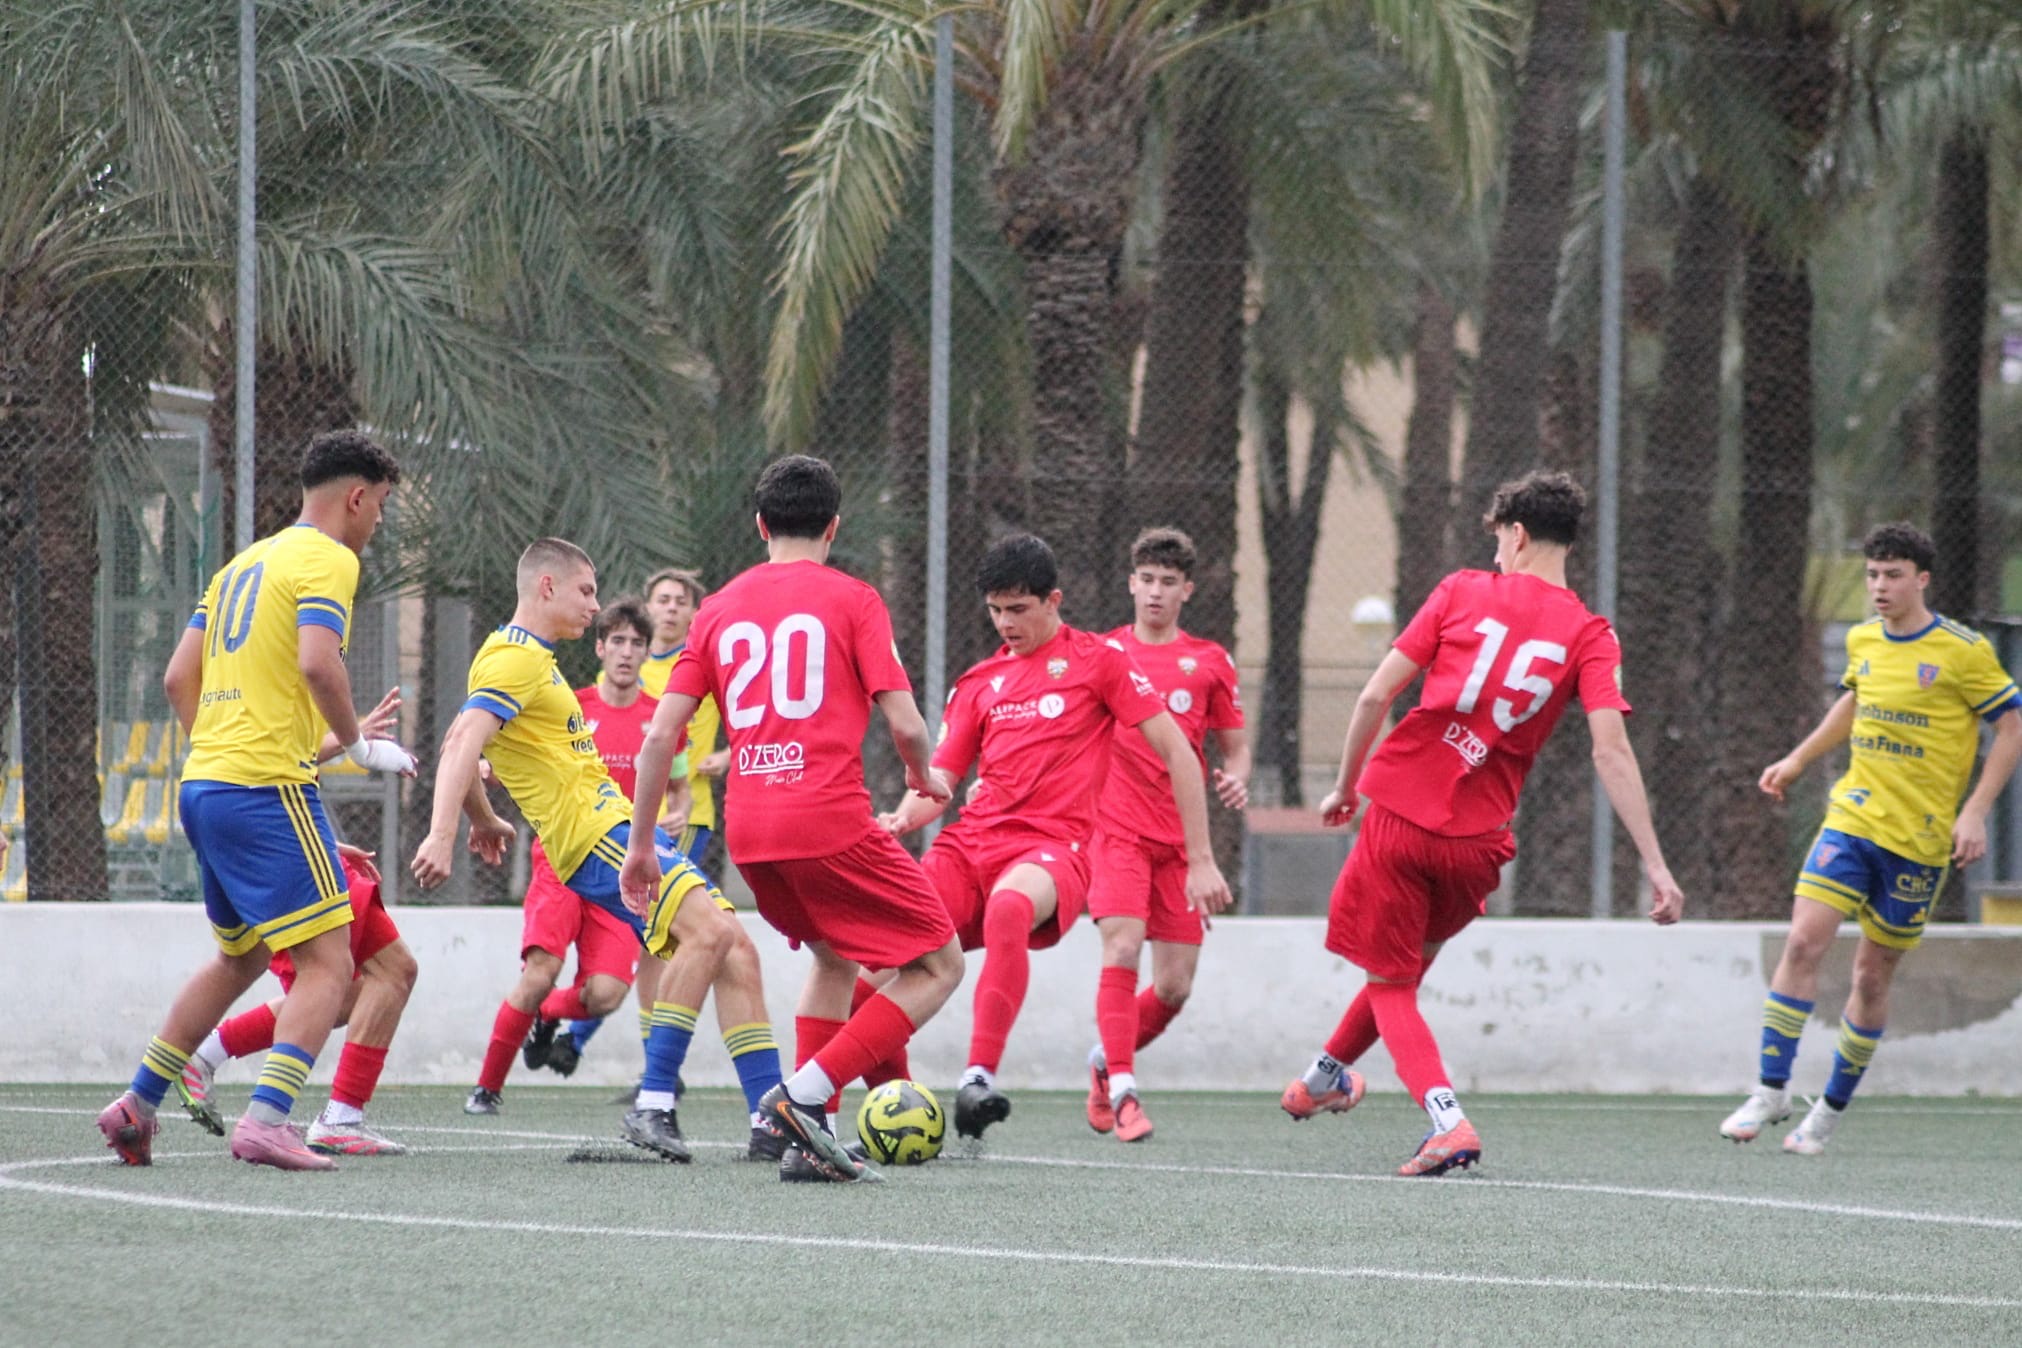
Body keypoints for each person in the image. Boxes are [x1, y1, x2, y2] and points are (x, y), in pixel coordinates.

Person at [1280, 470, 1684, 1177]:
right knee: (1404, 968)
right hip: (1477, 843)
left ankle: (1448, 1122)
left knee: (1392, 984)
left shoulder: (1462, 590)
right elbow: (1611, 751)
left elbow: (1374, 696)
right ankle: (1318, 1081)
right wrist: (1656, 865)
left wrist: (1344, 787)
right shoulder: (1592, 634)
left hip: (1402, 814)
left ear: (1517, 534)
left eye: (1499, 539)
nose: (1496, 552)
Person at [622, 454, 964, 1184]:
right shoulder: (854, 599)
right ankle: (801, 1097)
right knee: (940, 964)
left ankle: (816, 1139)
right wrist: (921, 776)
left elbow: (659, 738)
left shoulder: (718, 610)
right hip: (827, 821)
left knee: (834, 957)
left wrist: (642, 845)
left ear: (760, 525)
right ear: (834, 527)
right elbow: (907, 723)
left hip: (750, 832)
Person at [95, 430, 417, 1171]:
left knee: (238, 959)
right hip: (266, 789)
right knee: (331, 967)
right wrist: (359, 747)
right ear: (357, 497)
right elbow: (318, 663)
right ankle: (268, 1121)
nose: (378, 522)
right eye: (381, 506)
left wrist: (227, 756)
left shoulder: (240, 566)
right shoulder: (330, 558)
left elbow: (178, 678)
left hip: (207, 786)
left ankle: (137, 1104)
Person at [412, 539, 782, 1165]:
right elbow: (460, 742)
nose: (595, 604)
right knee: (711, 934)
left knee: (736, 948)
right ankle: (654, 1104)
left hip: (621, 828)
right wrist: (443, 833)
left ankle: (767, 1121)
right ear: (547, 587)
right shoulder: (513, 657)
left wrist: (485, 817)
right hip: (595, 839)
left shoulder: (532, 658)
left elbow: (465, 743)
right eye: (586, 591)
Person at [880, 533, 1233, 1143]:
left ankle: (992, 1075)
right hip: (1001, 843)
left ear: (1053, 600)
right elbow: (940, 779)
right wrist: (898, 819)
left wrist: (1202, 858)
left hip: (1061, 847)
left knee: (1029, 916)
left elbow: (1182, 751)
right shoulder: (979, 682)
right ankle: (831, 1102)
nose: (1005, 623)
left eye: (1018, 609)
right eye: (996, 610)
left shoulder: (1102, 660)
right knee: (870, 968)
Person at [1719, 523, 2021, 1154]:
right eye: (1873, 575)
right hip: (1853, 819)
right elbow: (1853, 703)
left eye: (1893, 575)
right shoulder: (1864, 639)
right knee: (1802, 941)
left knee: (1871, 976)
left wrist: (1974, 812)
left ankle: (1828, 1110)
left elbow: (2011, 728)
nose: (1880, 587)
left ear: (1922, 579)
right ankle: (1770, 1089)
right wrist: (1798, 759)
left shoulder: (1963, 652)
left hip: (1918, 841)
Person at [465, 599, 704, 1111]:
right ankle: (486, 1089)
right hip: (562, 856)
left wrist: (677, 813)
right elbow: (510, 754)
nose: (626, 652)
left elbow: (679, 788)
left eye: (636, 643)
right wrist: (485, 773)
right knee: (540, 972)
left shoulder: (662, 718)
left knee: (606, 995)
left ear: (647, 652)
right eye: (616, 641)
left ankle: (546, 1014)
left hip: (623, 865)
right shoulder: (569, 705)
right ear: (599, 648)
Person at [177, 689, 421, 1157]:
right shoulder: (285, 664)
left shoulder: (248, 684)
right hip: (288, 843)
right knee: (374, 977)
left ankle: (203, 1058)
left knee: (350, 993)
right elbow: (268, 762)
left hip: (288, 837)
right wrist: (358, 745)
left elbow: (285, 756)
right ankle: (332, 1118)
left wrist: (349, 740)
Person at [1081, 528, 1250, 1143]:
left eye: (1168, 582)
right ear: (1131, 583)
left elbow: (1235, 747)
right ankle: (1126, 1090)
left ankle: (1106, 1060)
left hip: (1181, 845)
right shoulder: (1102, 655)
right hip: (1116, 831)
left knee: (1175, 987)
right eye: (1146, 579)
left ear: (1187, 591)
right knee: (1123, 947)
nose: (1155, 591)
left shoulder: (1209, 662)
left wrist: (1236, 778)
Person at [575, 567, 719, 1092]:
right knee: (648, 938)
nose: (672, 607)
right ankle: (588, 1038)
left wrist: (728, 757)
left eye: (682, 600)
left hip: (684, 821)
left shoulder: (705, 660)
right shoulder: (628, 671)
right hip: (615, 829)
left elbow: (754, 717)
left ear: (694, 612)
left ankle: (652, 1067)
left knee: (668, 938)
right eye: (663, 598)